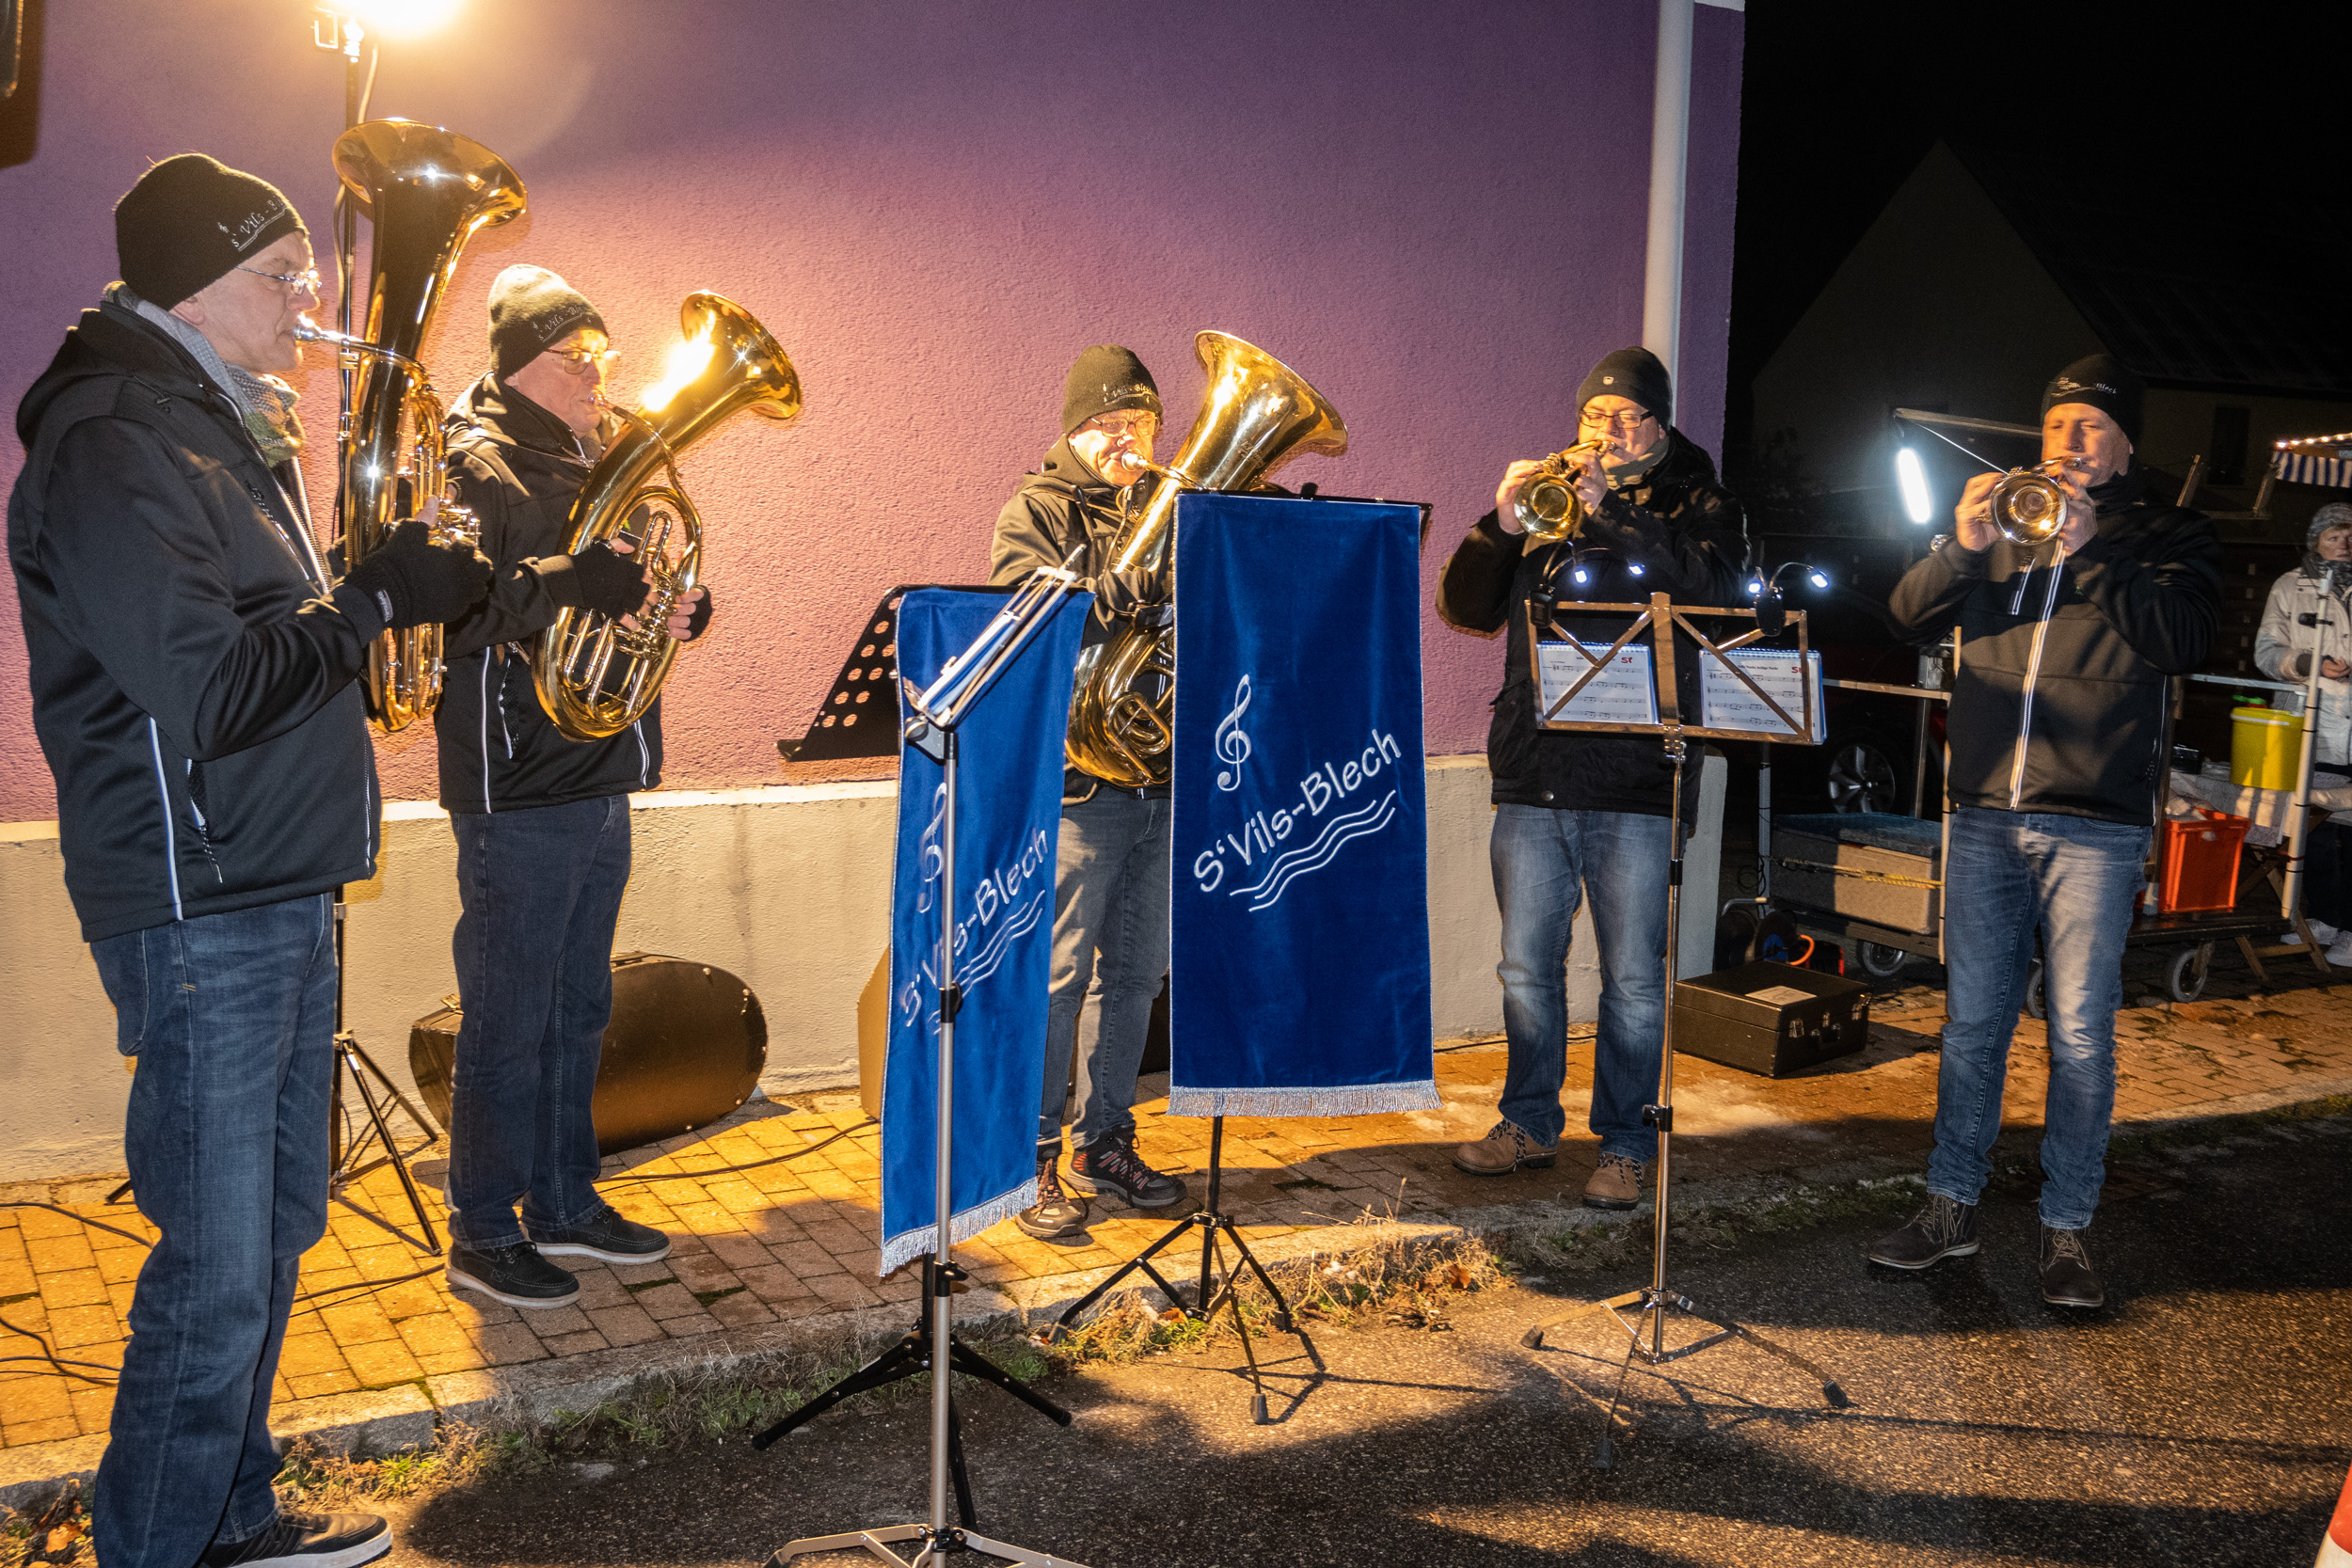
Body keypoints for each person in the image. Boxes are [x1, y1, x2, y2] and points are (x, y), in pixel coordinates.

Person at [8, 155, 490, 1568]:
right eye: (284, 275)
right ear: (197, 286)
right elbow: (210, 688)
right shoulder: (112, 440)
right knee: (215, 1262)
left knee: (271, 1230)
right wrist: (375, 600)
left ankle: (232, 1511)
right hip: (200, 901)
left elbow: (291, 642)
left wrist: (396, 594)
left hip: (273, 883)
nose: (310, 301)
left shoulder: (215, 427)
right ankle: (156, 1543)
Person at [1869, 354, 2221, 1307]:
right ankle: (1948, 1208)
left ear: (2124, 443)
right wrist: (1959, 540)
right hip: (1983, 811)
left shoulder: (2166, 535)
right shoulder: (2001, 531)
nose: (2067, 441)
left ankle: (2067, 1229)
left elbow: (2184, 639)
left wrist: (2091, 548)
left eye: (2090, 426)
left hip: (2095, 825)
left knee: (2077, 1038)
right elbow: (1903, 614)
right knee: (1971, 1027)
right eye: (2057, 424)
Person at [432, 265, 714, 1308]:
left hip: (602, 764)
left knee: (579, 1002)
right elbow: (450, 611)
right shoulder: (476, 461)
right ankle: (480, 1223)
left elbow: (640, 587)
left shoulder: (601, 450)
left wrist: (674, 608)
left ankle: (562, 1197)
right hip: (520, 778)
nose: (601, 373)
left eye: (603, 354)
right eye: (577, 358)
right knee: (509, 1011)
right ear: (519, 366)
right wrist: (573, 581)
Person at [1436, 347, 1747, 1210]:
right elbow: (1463, 607)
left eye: (1624, 417)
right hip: (1535, 770)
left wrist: (1610, 514)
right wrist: (1501, 524)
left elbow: (1718, 590)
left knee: (1633, 979)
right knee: (1525, 968)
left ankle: (1625, 1142)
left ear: (1659, 424)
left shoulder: (1701, 500)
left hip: (1638, 776)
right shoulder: (1548, 494)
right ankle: (1530, 1123)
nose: (1603, 432)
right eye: (1591, 418)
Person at [990, 344, 1191, 1242]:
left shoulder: (1175, 507)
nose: (1127, 440)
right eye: (1109, 425)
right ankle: (1031, 1155)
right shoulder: (1035, 510)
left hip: (1164, 773)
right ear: (1073, 430)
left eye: (1141, 424)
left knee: (1138, 975)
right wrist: (1110, 591)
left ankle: (1105, 1139)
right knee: (1060, 977)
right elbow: (1019, 616)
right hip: (1079, 784)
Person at [2254, 502, 2352, 962]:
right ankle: (2325, 915)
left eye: (2351, 536)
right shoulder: (2290, 587)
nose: (2345, 545)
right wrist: (2308, 664)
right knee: (2310, 822)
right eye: (2335, 536)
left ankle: (2349, 927)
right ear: (2316, 539)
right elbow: (2267, 650)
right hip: (2311, 717)